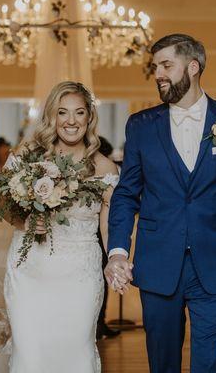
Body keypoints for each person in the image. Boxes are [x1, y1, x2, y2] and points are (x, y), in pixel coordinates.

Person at [105, 33, 216, 373]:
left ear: (192, 67)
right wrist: (118, 251)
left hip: (215, 266)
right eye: (155, 66)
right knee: (163, 365)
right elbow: (126, 194)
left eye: (166, 65)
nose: (157, 73)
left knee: (209, 365)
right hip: (158, 265)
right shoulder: (141, 126)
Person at [0, 81, 119, 373]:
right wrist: (26, 220)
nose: (71, 121)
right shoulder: (28, 155)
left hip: (80, 276)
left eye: (79, 113)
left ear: (89, 117)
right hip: (30, 273)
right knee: (30, 355)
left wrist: (115, 259)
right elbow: (5, 208)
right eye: (63, 113)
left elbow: (108, 224)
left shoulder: (104, 168)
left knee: (76, 354)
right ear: (52, 116)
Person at [96, 136, 121, 340]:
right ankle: (100, 323)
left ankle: (99, 323)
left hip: (97, 237)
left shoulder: (106, 169)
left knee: (101, 283)